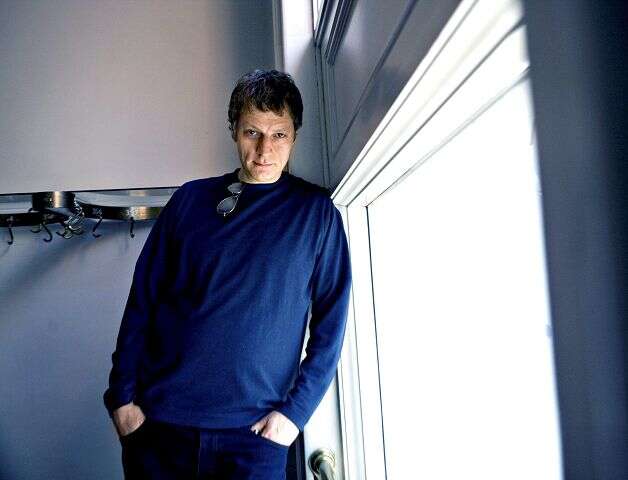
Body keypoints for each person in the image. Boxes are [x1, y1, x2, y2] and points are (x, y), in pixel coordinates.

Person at [103, 68, 353, 479]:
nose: (265, 150)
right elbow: (142, 301)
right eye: (252, 132)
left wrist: (295, 415)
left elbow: (331, 326)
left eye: (279, 134)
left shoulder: (316, 214)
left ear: (295, 135)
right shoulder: (190, 200)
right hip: (161, 429)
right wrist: (121, 399)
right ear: (234, 129)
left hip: (254, 439)